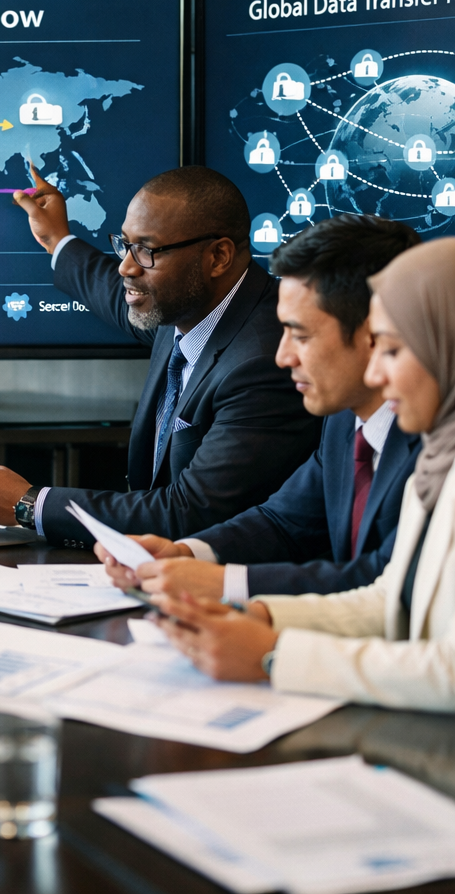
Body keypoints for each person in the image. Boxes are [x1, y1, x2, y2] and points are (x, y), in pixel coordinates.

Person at [145, 238, 455, 712]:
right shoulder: (435, 457)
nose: (377, 373)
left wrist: (273, 656)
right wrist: (258, 614)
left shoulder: (425, 447)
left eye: (391, 349)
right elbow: (390, 596)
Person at [0, 165, 321, 546]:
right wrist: (57, 239)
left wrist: (28, 503)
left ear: (218, 257)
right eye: (125, 245)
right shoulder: (187, 306)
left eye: (146, 250)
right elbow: (114, 292)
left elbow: (188, 512)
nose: (126, 266)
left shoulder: (265, 361)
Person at [104, 215, 422, 602]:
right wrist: (187, 554)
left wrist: (223, 585)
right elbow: (284, 522)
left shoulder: (436, 439)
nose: (283, 355)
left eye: (300, 335)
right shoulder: (343, 420)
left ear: (376, 334)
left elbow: (389, 582)